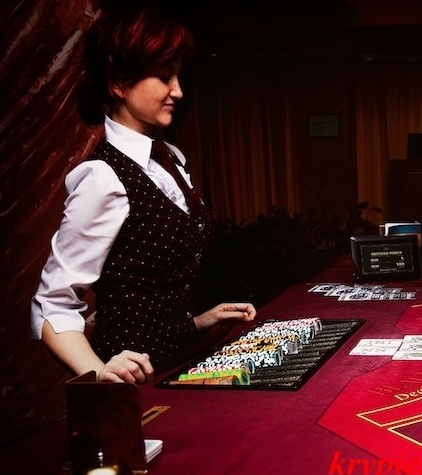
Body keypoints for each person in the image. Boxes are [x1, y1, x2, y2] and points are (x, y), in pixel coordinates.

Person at [31, 5, 256, 384]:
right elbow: (52, 303)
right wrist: (98, 371)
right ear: (119, 83)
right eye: (164, 77)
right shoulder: (102, 177)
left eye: (178, 76)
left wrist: (198, 321)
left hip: (181, 361)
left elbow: (151, 284)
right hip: (135, 381)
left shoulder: (172, 158)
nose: (178, 91)